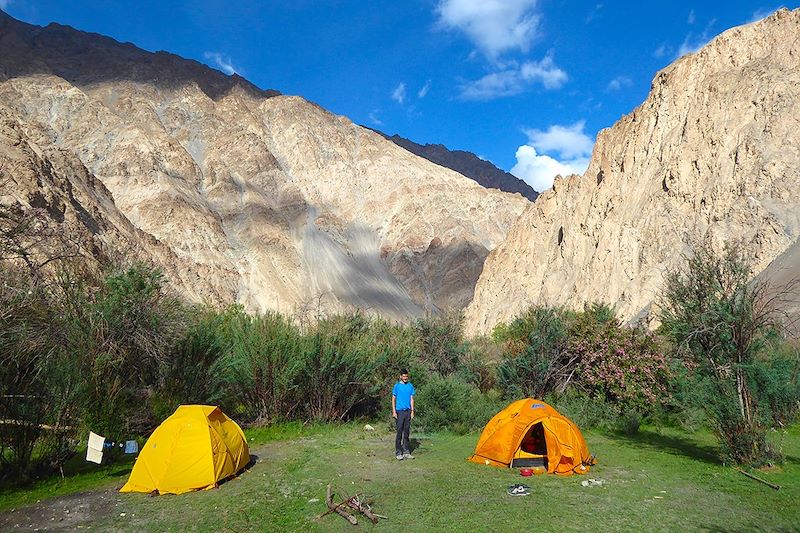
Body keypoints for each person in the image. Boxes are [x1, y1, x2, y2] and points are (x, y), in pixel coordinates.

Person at [392, 369, 415, 460]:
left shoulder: (410, 386)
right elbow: (393, 399)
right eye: (404, 376)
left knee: (406, 432)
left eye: (406, 376)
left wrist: (412, 411)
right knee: (399, 432)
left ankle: (406, 452)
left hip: (408, 411)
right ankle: (398, 452)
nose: (405, 378)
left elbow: (411, 399)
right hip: (399, 412)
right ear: (401, 376)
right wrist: (394, 411)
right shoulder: (397, 386)